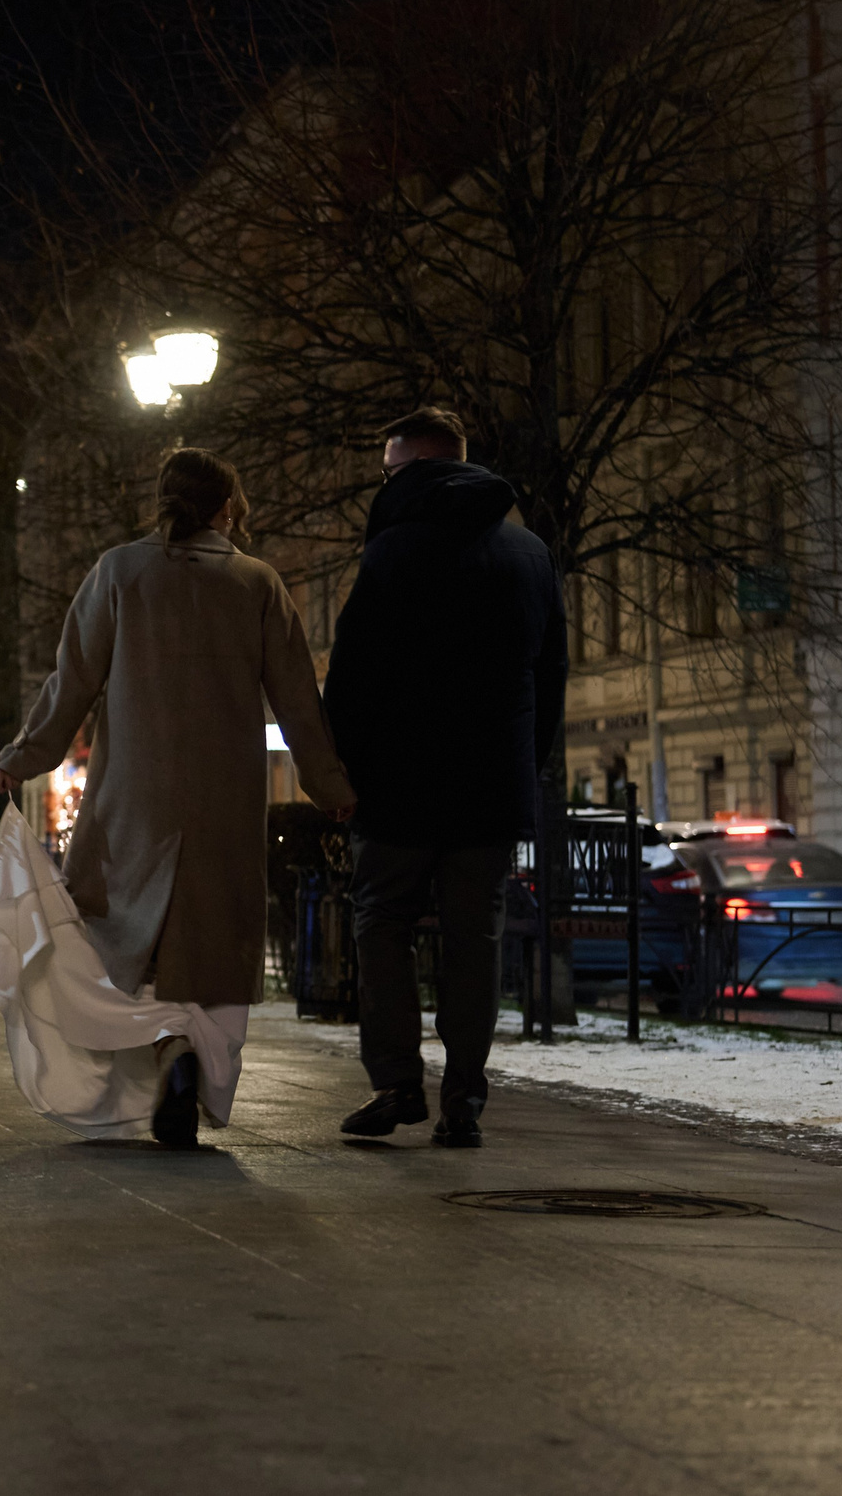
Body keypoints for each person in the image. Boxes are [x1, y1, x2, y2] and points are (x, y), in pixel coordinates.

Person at [0, 447, 355, 1147]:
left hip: (133, 795)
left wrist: (21, 759)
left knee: (125, 936)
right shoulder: (258, 583)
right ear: (226, 507)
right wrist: (329, 786)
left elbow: (71, 684)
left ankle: (161, 1045)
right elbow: (299, 702)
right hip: (224, 799)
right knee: (213, 941)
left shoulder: (119, 572)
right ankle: (197, 1057)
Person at [323, 406, 566, 1150]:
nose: (385, 483)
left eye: (390, 471)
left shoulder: (391, 552)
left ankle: (397, 1082)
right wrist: (526, 767)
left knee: (382, 922)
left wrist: (342, 776)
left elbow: (352, 677)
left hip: (398, 785)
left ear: (415, 469)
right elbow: (550, 674)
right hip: (490, 788)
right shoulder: (528, 552)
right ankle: (464, 1096)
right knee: (474, 936)